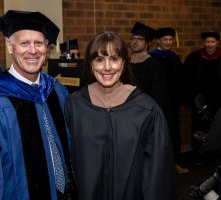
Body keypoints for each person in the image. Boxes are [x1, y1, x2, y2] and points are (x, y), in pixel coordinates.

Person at [0, 10, 76, 199]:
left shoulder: (57, 91)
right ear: (10, 46)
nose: (33, 50)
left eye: (39, 43)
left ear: (46, 47)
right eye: (24, 43)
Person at [65, 31, 176, 200]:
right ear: (90, 64)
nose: (107, 67)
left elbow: (157, 175)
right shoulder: (74, 105)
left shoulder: (146, 110)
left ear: (124, 63)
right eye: (100, 59)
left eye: (114, 59)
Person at [149, 27, 188, 174]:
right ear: (158, 41)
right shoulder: (152, 58)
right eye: (165, 39)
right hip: (157, 101)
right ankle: (158, 166)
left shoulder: (174, 57)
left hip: (172, 102)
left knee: (172, 131)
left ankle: (174, 162)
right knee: (158, 133)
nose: (168, 42)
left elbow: (181, 79)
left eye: (170, 39)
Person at [184, 31, 221, 159]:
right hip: (199, 100)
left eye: (213, 42)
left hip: (218, 100)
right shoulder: (194, 57)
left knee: (217, 127)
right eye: (207, 42)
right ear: (203, 43)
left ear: (217, 43)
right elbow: (186, 79)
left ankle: (216, 155)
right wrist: (192, 97)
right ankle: (199, 155)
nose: (210, 45)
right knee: (199, 127)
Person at [130, 22, 168, 111]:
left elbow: (157, 95)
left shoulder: (154, 65)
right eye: (133, 39)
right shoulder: (126, 62)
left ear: (147, 43)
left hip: (145, 110)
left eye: (139, 39)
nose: (135, 42)